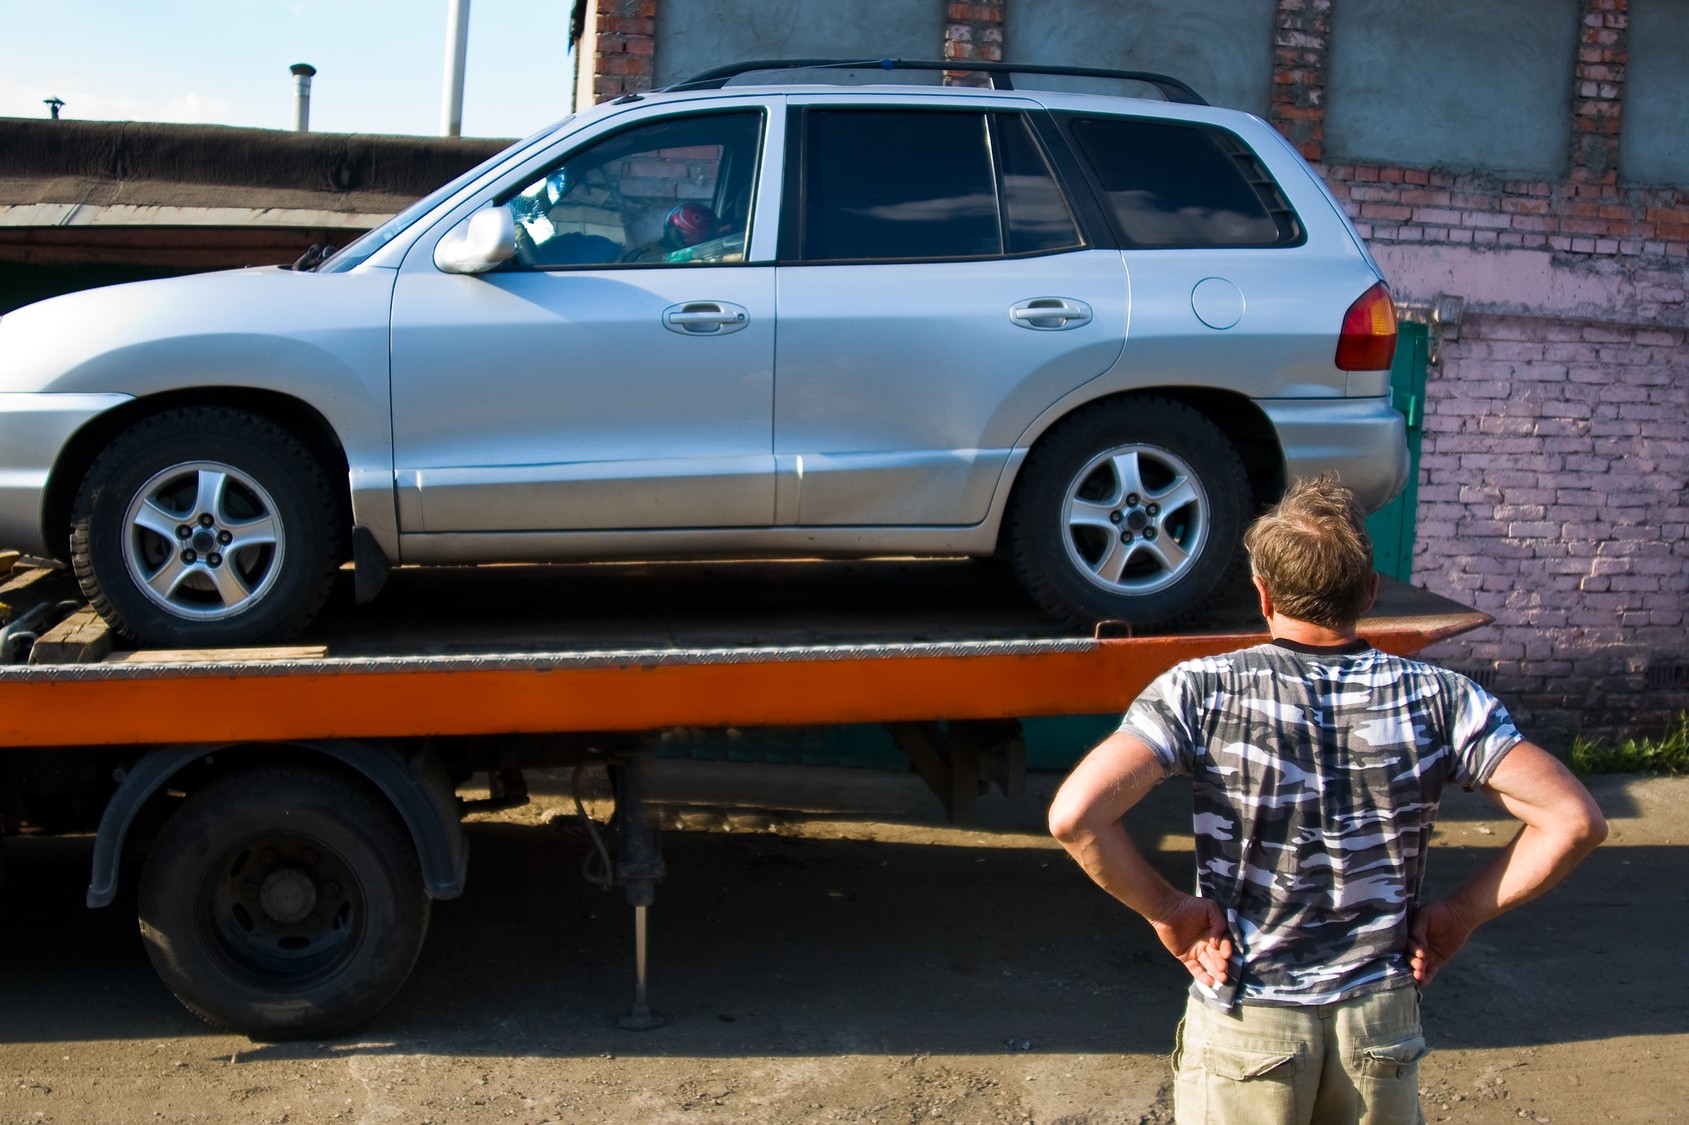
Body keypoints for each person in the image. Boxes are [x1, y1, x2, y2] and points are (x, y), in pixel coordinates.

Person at [1047, 474, 1606, 1125]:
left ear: (1261, 592)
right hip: (1379, 1020)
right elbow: (1572, 820)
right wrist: (1457, 914)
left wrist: (1168, 909)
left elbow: (1075, 814)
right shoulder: (1441, 698)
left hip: (1247, 1013)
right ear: (1368, 591)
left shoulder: (1199, 691)